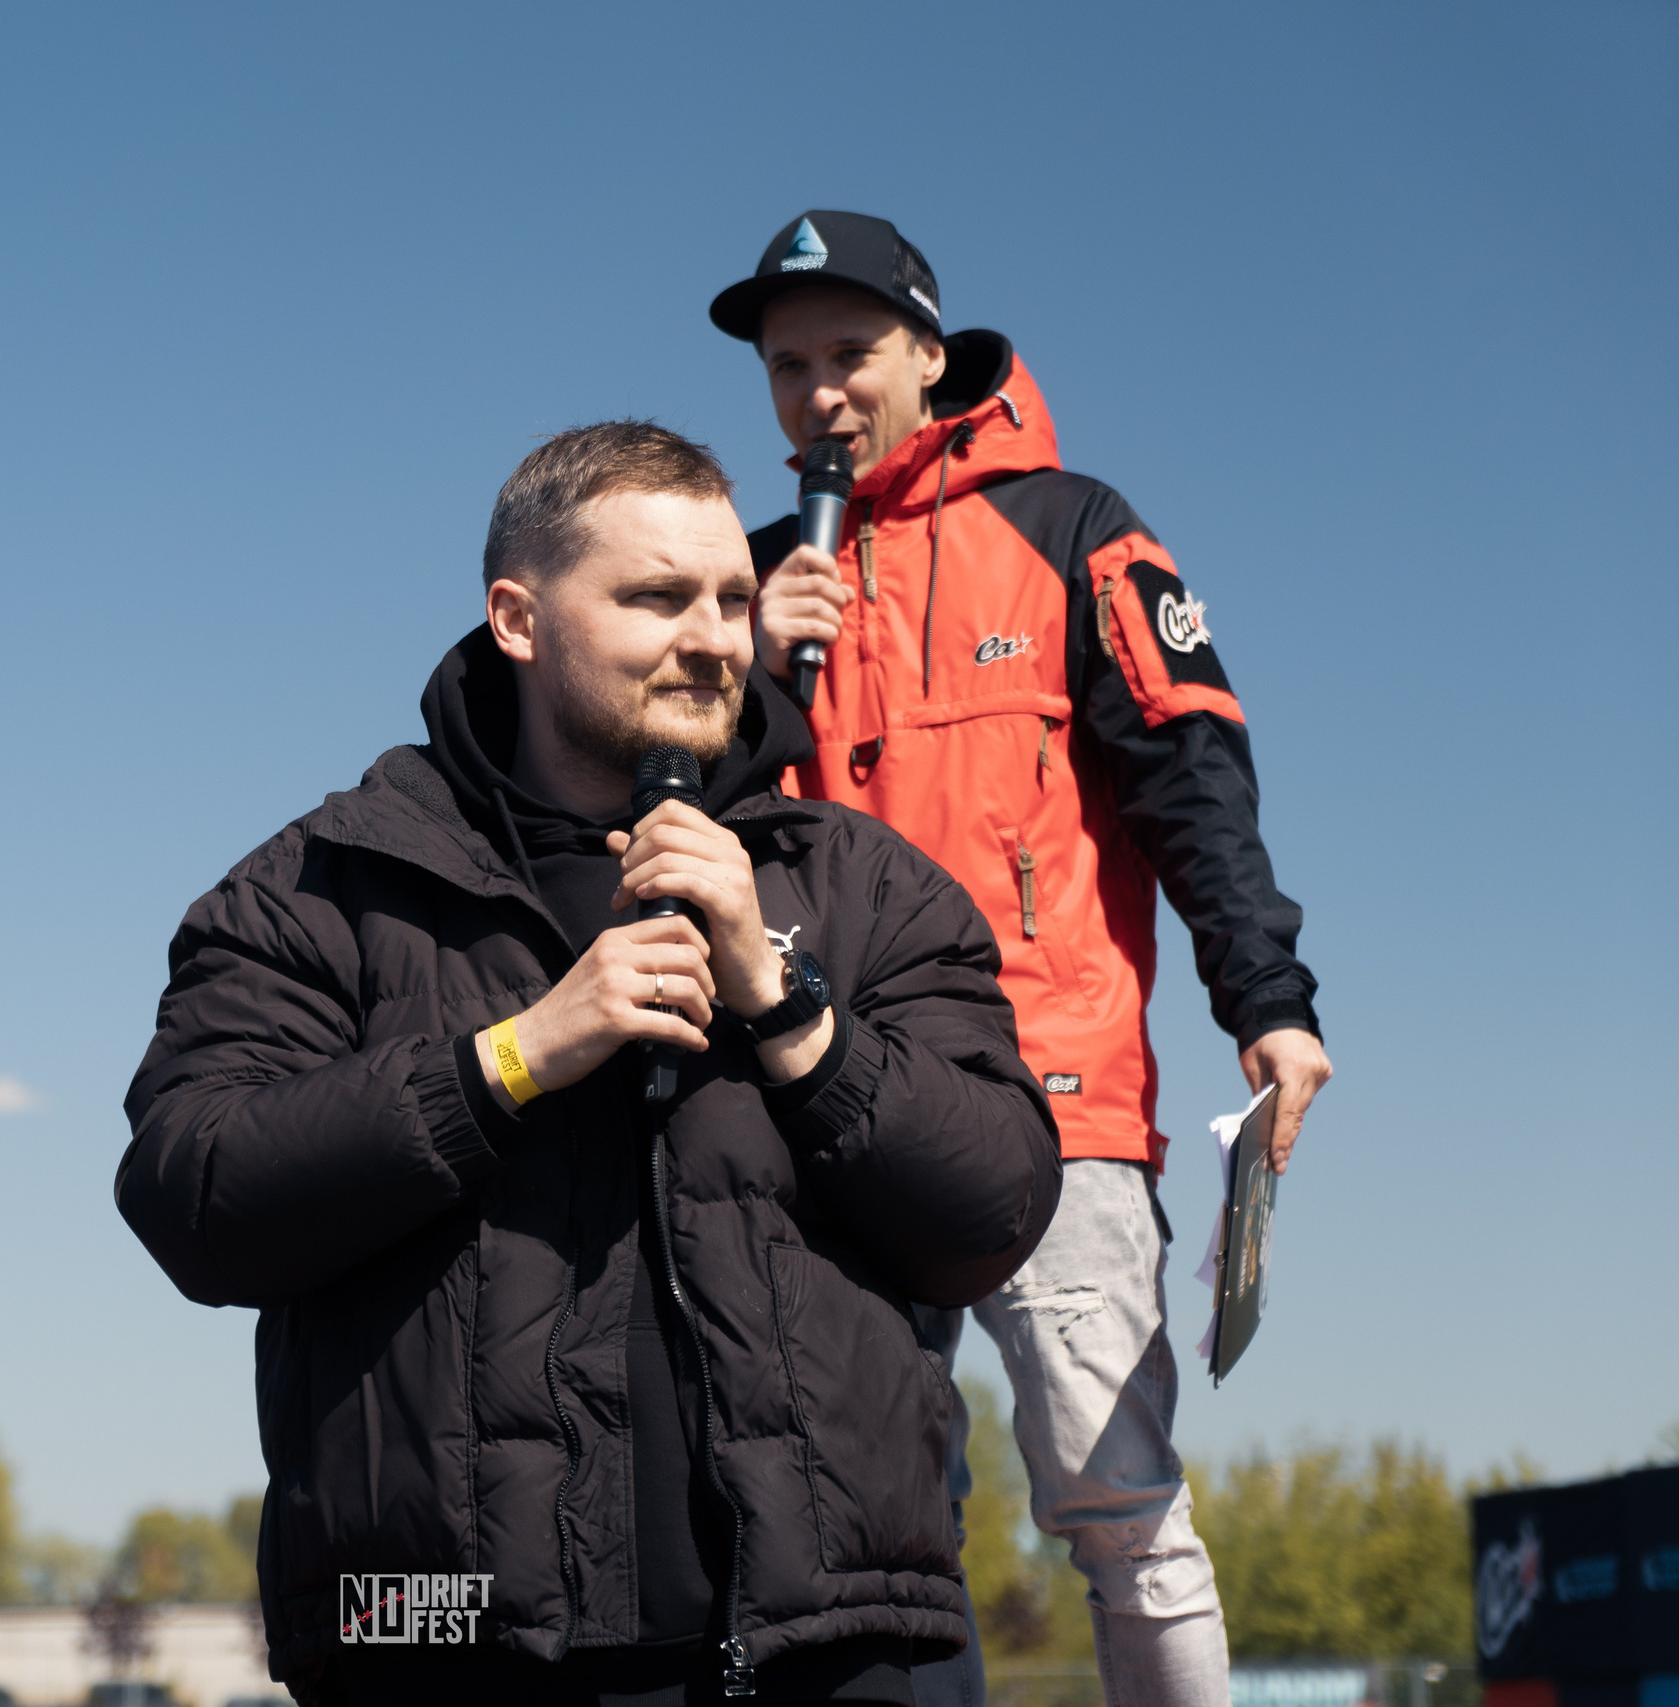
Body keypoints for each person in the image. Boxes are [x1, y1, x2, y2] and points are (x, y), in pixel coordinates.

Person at [119, 421, 1063, 1706]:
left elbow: (993, 1209)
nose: (717, 636)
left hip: (823, 1638)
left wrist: (790, 1018)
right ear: (517, 617)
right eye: (656, 596)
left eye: (732, 598)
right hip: (433, 1637)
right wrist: (509, 1059)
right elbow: (195, 1196)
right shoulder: (320, 889)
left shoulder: (870, 889)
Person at [707, 211, 1336, 1706]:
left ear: (932, 350)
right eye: (788, 367)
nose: (820, 394)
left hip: (1052, 1093)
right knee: (881, 1517)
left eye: (851, 353)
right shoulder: (743, 581)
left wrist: (1270, 999)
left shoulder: (1071, 528)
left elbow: (1194, 775)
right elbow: (678, 826)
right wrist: (746, 677)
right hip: (829, 1103)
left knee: (1116, 1507)